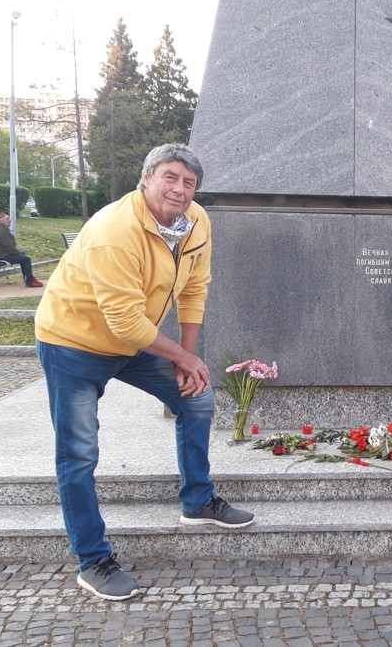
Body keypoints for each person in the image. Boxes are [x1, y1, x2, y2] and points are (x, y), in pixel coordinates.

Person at [35, 143, 254, 602]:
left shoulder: (196, 222)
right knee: (78, 453)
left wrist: (188, 363)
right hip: (73, 343)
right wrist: (181, 356)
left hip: (134, 341)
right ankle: (93, 560)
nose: (179, 189)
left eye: (189, 182)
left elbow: (195, 288)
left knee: (197, 398)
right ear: (146, 179)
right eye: (170, 177)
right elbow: (124, 322)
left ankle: (197, 501)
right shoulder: (115, 230)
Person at [0, 212, 43, 288]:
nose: (10, 221)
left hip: (0, 254)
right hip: (2, 256)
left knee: (23, 256)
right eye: (8, 219)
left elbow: (9, 246)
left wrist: (18, 253)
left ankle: (28, 279)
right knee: (26, 259)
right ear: (2, 221)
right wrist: (17, 253)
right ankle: (30, 280)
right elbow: (9, 246)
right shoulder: (2, 231)